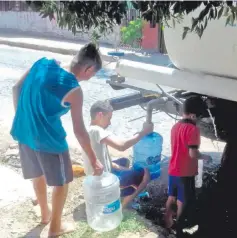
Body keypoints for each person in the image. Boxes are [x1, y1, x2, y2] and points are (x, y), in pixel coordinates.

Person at [10, 43, 104, 237]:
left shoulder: (43, 62)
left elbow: (16, 88)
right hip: (50, 141)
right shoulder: (74, 90)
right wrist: (94, 159)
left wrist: (23, 117)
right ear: (88, 69)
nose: (90, 78)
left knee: (38, 174)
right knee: (61, 183)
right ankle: (54, 229)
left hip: (24, 131)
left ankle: (45, 215)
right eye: (92, 74)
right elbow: (80, 131)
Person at [83, 100, 153, 208]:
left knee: (125, 161)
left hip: (95, 176)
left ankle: (125, 188)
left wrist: (124, 169)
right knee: (142, 174)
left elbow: (105, 159)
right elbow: (122, 146)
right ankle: (126, 201)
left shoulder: (89, 129)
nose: (110, 123)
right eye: (109, 118)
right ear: (100, 115)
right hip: (101, 183)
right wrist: (144, 132)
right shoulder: (96, 130)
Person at [164, 96, 208, 237]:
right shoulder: (193, 130)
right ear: (194, 115)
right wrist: (205, 157)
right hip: (185, 172)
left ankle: (167, 221)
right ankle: (180, 228)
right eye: (199, 117)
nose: (199, 121)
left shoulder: (175, 126)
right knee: (182, 200)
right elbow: (193, 153)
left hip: (173, 169)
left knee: (171, 196)